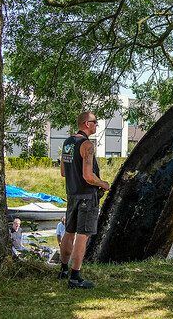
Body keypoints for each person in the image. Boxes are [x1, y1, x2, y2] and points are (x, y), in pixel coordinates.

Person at [58, 111, 111, 289]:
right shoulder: (87, 145)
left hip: (72, 195)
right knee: (83, 234)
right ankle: (75, 277)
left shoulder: (67, 143)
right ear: (86, 124)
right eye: (95, 122)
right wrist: (103, 184)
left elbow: (63, 172)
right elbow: (88, 176)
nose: (97, 125)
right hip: (87, 196)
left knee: (69, 232)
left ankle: (63, 270)